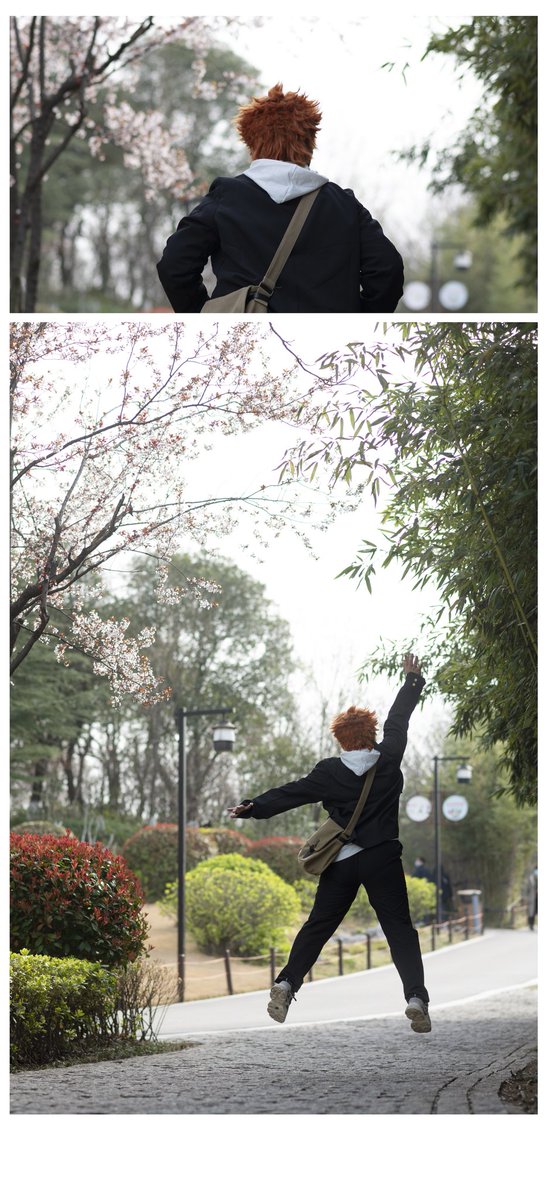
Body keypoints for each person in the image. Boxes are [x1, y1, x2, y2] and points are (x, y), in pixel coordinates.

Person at [228, 652, 431, 1034]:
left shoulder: (329, 771)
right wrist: (412, 680)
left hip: (341, 860)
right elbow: (398, 720)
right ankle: (416, 998)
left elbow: (292, 793)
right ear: (371, 734)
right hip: (382, 858)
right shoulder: (388, 757)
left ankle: (286, 983)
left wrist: (253, 807)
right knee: (399, 930)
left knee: (318, 925)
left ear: (340, 738)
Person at [157, 83, 404, 313]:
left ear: (252, 143)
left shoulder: (227, 197)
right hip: (331, 341)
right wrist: (357, 320)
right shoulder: (344, 204)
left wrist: (205, 317)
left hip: (250, 337)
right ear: (309, 142)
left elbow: (175, 265)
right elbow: (387, 270)